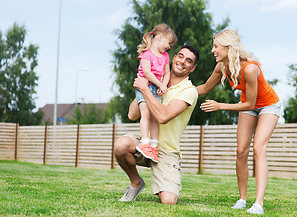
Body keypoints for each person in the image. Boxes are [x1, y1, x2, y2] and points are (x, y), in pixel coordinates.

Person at [197, 29, 280, 215]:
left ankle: (258, 204)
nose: (212, 50)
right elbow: (204, 88)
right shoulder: (222, 67)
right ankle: (242, 199)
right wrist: (175, 92)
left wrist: (220, 106)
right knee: (241, 151)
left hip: (268, 105)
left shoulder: (250, 68)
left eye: (216, 46)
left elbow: (250, 103)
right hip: (248, 106)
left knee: (258, 148)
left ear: (228, 47)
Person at [114, 45, 199, 205]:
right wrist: (144, 88)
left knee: (168, 201)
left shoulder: (189, 90)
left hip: (167, 151)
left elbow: (163, 116)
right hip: (146, 143)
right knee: (121, 145)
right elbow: (132, 114)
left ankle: (169, 179)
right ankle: (136, 183)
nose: (182, 62)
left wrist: (145, 89)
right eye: (180, 56)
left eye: (188, 61)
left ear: (192, 68)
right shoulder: (154, 80)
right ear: (173, 58)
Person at [135, 23, 178, 163]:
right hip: (145, 86)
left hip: (157, 88)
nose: (169, 47)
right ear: (160, 37)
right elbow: (147, 73)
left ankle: (154, 146)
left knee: (155, 117)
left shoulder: (165, 56)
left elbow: (167, 73)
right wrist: (160, 84)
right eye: (168, 43)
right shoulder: (146, 54)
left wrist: (164, 85)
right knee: (146, 114)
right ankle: (145, 143)